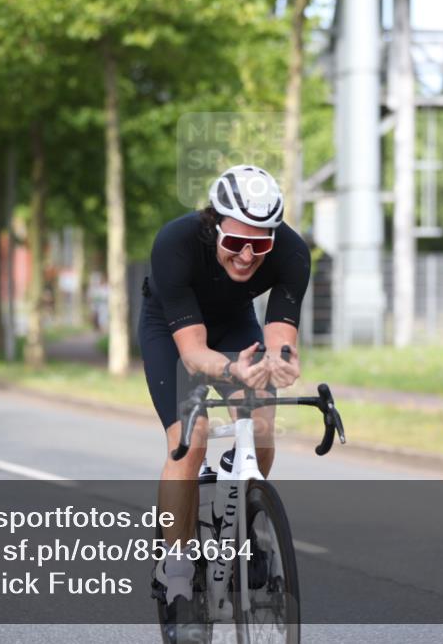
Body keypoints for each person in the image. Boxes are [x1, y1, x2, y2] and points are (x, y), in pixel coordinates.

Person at [139, 165, 310, 639]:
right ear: (214, 224)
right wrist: (234, 369)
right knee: (189, 440)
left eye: (261, 244)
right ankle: (175, 575)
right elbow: (194, 353)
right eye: (236, 243)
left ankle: (251, 520)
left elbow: (280, 334)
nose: (248, 255)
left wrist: (282, 361)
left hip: (235, 324)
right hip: (172, 329)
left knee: (260, 427)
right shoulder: (175, 243)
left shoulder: (293, 252)